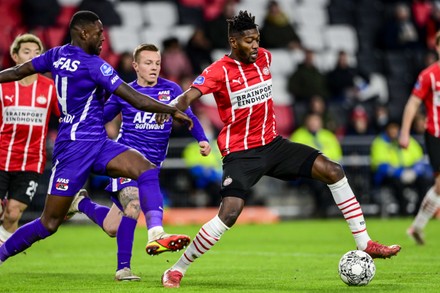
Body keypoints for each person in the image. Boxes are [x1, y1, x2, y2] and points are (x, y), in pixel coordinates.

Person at [159, 10, 401, 288]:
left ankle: (364, 242)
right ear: (234, 41)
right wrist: (169, 109)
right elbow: (188, 96)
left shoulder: (264, 58)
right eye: (249, 41)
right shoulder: (218, 71)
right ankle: (177, 269)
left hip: (273, 144)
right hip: (242, 153)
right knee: (229, 214)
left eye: (257, 39)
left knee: (333, 170)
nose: (255, 46)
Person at [0, 11, 193, 280]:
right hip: (73, 151)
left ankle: (156, 234)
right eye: (99, 33)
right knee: (49, 223)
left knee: (146, 170)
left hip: (99, 143)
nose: (104, 38)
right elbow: (136, 99)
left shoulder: (55, 54)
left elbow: (20, 70)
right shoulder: (95, 66)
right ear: (83, 33)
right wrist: (171, 110)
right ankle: (1, 254)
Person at [66, 43, 211, 274]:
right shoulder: (126, 92)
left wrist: (202, 139)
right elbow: (100, 117)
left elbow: (188, 115)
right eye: (148, 63)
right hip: (125, 161)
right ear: (135, 66)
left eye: (157, 63)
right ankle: (125, 267)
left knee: (113, 226)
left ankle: (80, 203)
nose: (154, 68)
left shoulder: (171, 89)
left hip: (150, 169)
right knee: (133, 205)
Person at [0, 34, 60, 245]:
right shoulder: (2, 85)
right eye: (27, 52)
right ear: (15, 56)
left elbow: (64, 116)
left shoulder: (50, 87)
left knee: (13, 214)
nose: (32, 57)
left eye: (37, 53)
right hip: (2, 157)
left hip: (32, 160)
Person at [399, 30, 440, 245]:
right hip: (436, 133)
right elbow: (413, 103)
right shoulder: (429, 75)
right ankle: (417, 226)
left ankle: (416, 227)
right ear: (437, 47)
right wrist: (405, 132)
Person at [371, 121, 432, 216]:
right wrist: (400, 173)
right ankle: (403, 212)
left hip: (409, 171)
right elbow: (380, 165)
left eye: (395, 129)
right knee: (397, 183)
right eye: (391, 129)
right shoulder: (380, 142)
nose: (393, 131)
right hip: (390, 176)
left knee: (423, 182)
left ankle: (418, 212)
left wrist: (414, 172)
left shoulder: (408, 140)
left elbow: (419, 160)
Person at [289, 112, 343, 217]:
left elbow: (337, 156)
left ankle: (326, 209)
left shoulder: (328, 136)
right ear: (306, 122)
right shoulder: (298, 135)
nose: (314, 123)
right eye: (311, 121)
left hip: (327, 172)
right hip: (306, 173)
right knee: (318, 184)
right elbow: (295, 157)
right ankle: (321, 210)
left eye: (316, 121)